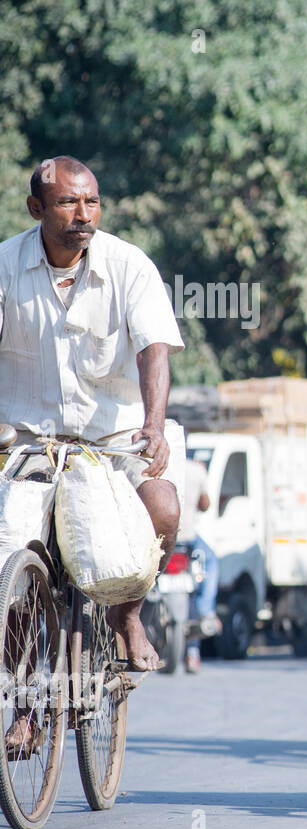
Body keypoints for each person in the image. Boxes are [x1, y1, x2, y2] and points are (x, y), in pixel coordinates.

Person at [0, 157, 184, 672]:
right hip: (28, 443)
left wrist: (153, 424)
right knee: (14, 555)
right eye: (67, 202)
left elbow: (154, 349)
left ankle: (128, 616)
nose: (84, 214)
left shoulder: (129, 266)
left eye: (92, 202)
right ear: (36, 208)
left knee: (163, 505)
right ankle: (26, 697)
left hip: (115, 440)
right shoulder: (5, 267)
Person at [176, 451, 220, 673]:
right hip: (188, 537)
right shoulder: (196, 469)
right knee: (210, 561)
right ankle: (206, 610)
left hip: (161, 538)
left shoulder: (154, 463)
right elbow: (205, 505)